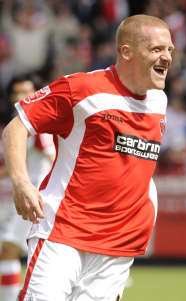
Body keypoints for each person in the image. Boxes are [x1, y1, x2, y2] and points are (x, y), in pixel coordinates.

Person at [1, 15, 174, 300]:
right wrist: (21, 182)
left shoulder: (159, 101)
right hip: (63, 234)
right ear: (126, 51)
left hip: (115, 249)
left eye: (170, 50)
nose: (166, 57)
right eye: (156, 49)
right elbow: (16, 128)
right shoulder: (81, 89)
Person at [0, 75, 55, 301]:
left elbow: (51, 155)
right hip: (28, 197)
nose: (22, 97)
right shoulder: (23, 124)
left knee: (9, 253)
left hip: (35, 198)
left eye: (27, 91)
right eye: (17, 92)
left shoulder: (37, 126)